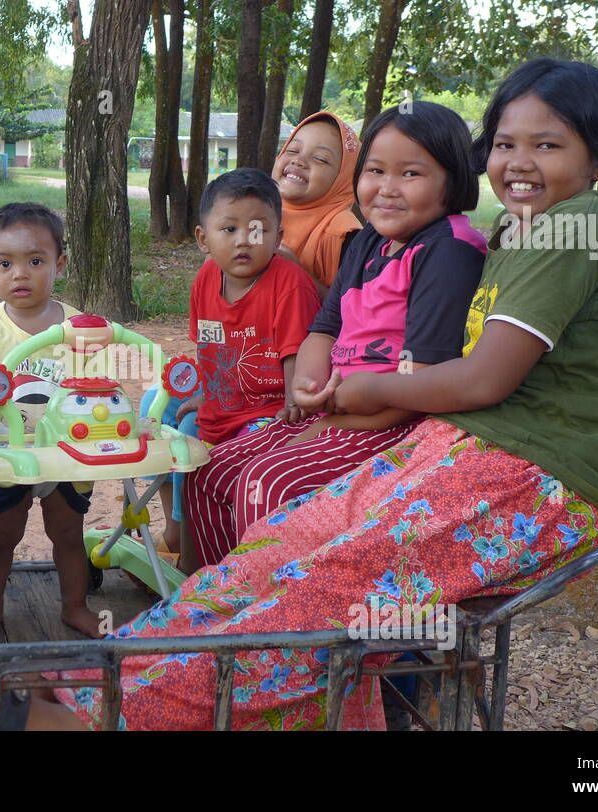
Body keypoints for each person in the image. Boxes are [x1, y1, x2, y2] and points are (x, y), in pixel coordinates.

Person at [30, 57, 598, 730]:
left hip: (539, 477)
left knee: (323, 597)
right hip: (458, 447)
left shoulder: (573, 225)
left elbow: (482, 378)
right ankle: (108, 674)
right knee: (272, 554)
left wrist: (357, 389)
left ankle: (117, 712)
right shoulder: (520, 229)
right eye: (505, 143)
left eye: (547, 144)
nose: (519, 162)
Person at [184, 101, 487, 568]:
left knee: (267, 483)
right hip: (334, 404)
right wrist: (306, 384)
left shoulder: (447, 250)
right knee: (209, 471)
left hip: (389, 423)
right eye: (375, 171)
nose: (387, 189)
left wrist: (332, 420)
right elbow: (325, 329)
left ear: (453, 178)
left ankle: (270, 625)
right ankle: (206, 600)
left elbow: (421, 384)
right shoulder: (368, 241)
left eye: (410, 174)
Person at [0, 202, 103, 639]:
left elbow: (93, 387)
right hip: (9, 454)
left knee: (68, 534)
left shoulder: (79, 327)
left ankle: (75, 606)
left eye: (35, 261)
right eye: (5, 263)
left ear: (60, 264)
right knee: (1, 534)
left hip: (65, 453)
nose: (20, 274)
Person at [154, 168, 320, 570]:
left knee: (196, 452)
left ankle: (200, 564)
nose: (244, 240)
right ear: (203, 239)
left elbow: (296, 351)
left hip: (267, 410)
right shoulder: (205, 279)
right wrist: (204, 392)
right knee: (152, 412)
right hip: (223, 398)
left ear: (279, 238)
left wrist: (294, 400)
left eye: (258, 230)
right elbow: (209, 346)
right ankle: (172, 524)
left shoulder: (289, 284)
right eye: (229, 229)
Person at [271, 111, 363, 292]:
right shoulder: (253, 211)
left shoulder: (346, 237)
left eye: (320, 159)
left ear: (344, 177)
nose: (299, 161)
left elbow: (352, 311)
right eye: (292, 150)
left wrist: (296, 271)